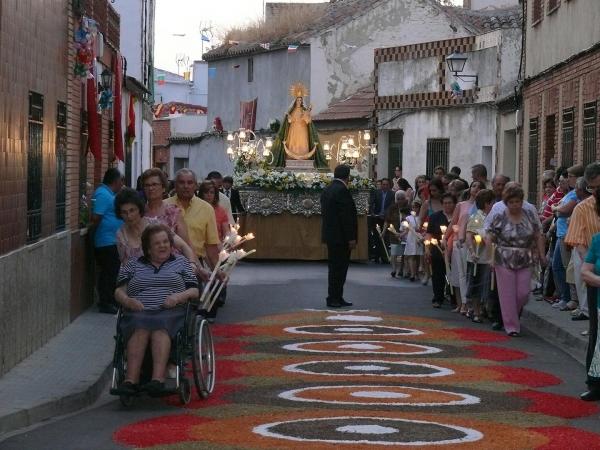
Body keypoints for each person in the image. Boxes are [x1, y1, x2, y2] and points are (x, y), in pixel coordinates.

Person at [114, 224, 199, 394]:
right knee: (140, 326)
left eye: (165, 242)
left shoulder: (181, 263)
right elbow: (118, 291)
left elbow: (194, 290)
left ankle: (157, 379)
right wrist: (128, 301)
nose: (163, 246)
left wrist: (177, 297)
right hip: (140, 310)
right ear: (148, 249)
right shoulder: (133, 265)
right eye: (157, 243)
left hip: (170, 311)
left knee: (160, 326)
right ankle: (131, 380)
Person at [485, 184, 546, 336]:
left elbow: (538, 235)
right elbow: (489, 236)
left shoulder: (529, 214)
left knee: (523, 293)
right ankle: (512, 326)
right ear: (506, 203)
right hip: (504, 257)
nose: (515, 205)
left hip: (526, 257)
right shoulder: (500, 216)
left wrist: (542, 254)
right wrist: (490, 256)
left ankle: (512, 315)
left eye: (517, 201)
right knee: (507, 294)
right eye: (511, 202)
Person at [564, 162, 600, 401]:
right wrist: (594, 260)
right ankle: (595, 382)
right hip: (596, 274)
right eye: (593, 188)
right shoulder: (582, 209)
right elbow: (578, 242)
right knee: (597, 332)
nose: (596, 191)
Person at [114, 188, 203, 273]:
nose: (129, 216)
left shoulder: (156, 224)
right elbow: (125, 266)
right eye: (124, 212)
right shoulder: (121, 235)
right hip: (140, 283)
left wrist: (192, 264)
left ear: (139, 208)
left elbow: (183, 246)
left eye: (132, 210)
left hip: (167, 276)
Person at [165, 169, 220, 269]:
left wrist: (216, 270)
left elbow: (211, 245)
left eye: (190, 183)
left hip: (196, 265)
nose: (186, 186)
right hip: (166, 265)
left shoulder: (206, 209)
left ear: (195, 186)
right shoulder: (164, 205)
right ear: (175, 185)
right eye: (181, 182)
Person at [321, 164, 357, 308]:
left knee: (335, 268)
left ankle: (336, 296)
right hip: (341, 237)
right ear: (348, 176)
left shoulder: (328, 189)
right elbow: (346, 217)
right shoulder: (342, 190)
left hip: (331, 235)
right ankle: (334, 297)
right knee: (340, 269)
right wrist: (351, 237)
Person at [271, 83, 329, 168]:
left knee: (303, 142)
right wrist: (289, 117)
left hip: (303, 129)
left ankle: (303, 156)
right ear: (295, 101)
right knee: (293, 143)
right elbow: (289, 121)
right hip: (293, 130)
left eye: (300, 100)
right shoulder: (292, 110)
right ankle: (292, 157)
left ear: (302, 101)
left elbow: (308, 121)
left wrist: (307, 114)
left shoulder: (304, 110)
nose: (299, 101)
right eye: (298, 100)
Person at [552, 164, 585, 310]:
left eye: (570, 176)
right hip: (561, 233)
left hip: (567, 235)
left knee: (565, 267)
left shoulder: (576, 195)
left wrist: (556, 209)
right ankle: (565, 297)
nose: (568, 179)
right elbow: (559, 209)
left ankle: (570, 299)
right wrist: (557, 210)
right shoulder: (571, 193)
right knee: (559, 266)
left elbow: (563, 210)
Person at [91, 168, 124, 314]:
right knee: (108, 272)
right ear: (116, 181)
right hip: (105, 241)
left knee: (112, 272)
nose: (122, 185)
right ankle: (105, 302)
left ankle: (110, 300)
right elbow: (96, 218)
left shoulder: (108, 194)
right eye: (121, 181)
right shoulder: (103, 194)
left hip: (111, 241)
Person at [465, 189, 495, 323]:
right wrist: (472, 252)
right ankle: (476, 310)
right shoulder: (477, 218)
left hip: (490, 257)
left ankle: (486, 308)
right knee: (476, 284)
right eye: (492, 202)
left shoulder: (493, 217)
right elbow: (469, 236)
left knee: (488, 285)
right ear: (487, 204)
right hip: (479, 257)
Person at [141, 168, 192, 245]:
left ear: (163, 188)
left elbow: (186, 244)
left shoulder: (174, 213)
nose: (151, 188)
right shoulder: (139, 212)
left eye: (154, 184)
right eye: (147, 185)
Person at [425, 193, 457, 308]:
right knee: (438, 274)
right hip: (438, 248)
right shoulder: (435, 217)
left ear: (454, 204)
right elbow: (429, 233)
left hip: (454, 250)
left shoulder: (457, 217)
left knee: (453, 274)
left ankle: (454, 298)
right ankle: (438, 298)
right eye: (445, 203)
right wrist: (427, 248)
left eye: (450, 203)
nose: (447, 205)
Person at [384, 190, 411, 278]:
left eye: (402, 199)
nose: (400, 201)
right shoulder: (392, 208)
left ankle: (401, 269)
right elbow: (387, 220)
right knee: (394, 252)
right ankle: (394, 269)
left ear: (404, 199)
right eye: (398, 199)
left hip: (405, 233)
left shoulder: (408, 208)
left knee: (404, 253)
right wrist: (383, 231)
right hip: (393, 232)